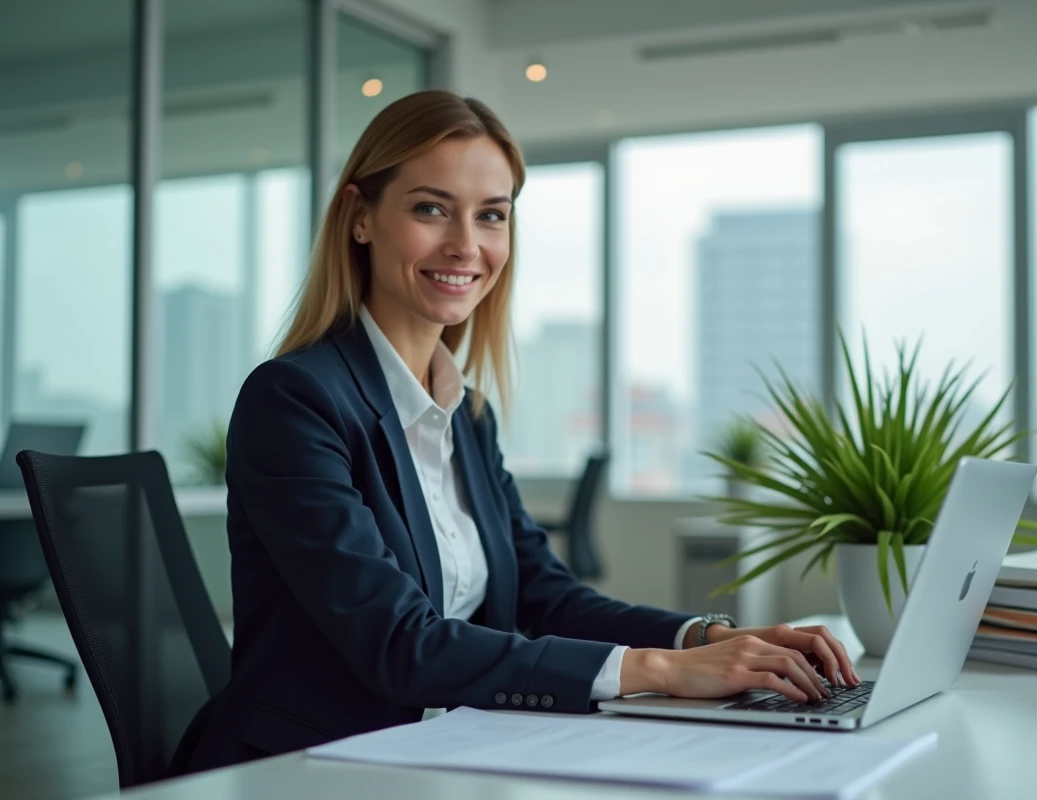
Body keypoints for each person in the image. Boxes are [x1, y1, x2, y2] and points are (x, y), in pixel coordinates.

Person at [179, 89, 860, 774]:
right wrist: (663, 669)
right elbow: (397, 643)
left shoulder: (467, 415)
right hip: (312, 766)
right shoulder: (296, 400)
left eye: (492, 216)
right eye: (430, 208)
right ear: (360, 217)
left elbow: (545, 596)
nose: (466, 245)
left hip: (448, 751)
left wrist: (710, 637)